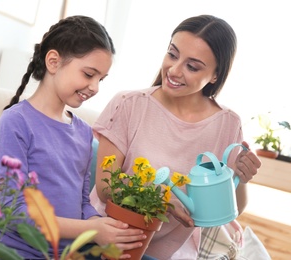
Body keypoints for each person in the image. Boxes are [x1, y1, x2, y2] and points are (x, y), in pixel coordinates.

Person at [90, 14, 262, 259]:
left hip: (169, 253)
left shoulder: (227, 124)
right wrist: (163, 199)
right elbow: (106, 188)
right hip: (107, 239)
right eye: (172, 54)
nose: (174, 69)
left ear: (215, 75)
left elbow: (230, 208)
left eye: (192, 66)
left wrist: (243, 179)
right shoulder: (129, 104)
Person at [0, 15, 147, 259]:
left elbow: (82, 203)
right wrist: (92, 229)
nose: (95, 87)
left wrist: (103, 229)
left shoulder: (83, 131)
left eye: (100, 79)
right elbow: (14, 212)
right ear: (53, 61)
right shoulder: (16, 123)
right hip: (17, 252)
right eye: (88, 74)